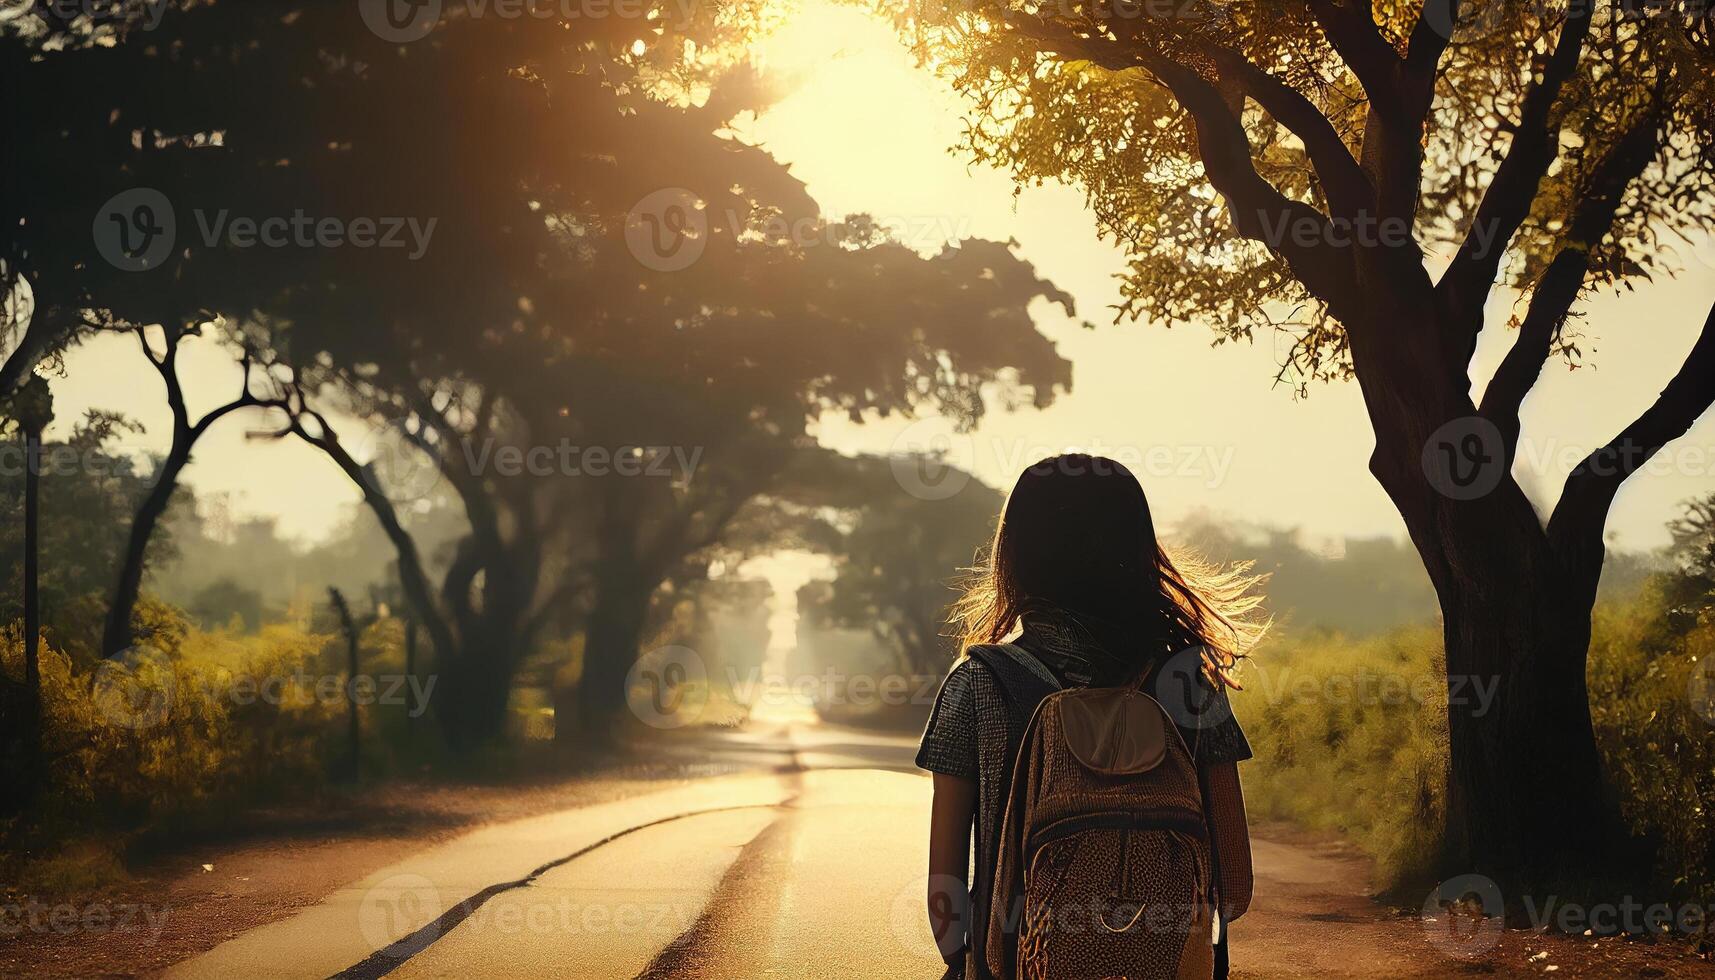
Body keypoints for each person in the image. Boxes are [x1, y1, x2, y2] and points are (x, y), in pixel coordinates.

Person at [918, 454, 1266, 979]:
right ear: (1140, 552)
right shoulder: (1190, 684)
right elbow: (1235, 887)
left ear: (1015, 554)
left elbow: (945, 905)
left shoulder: (978, 684)